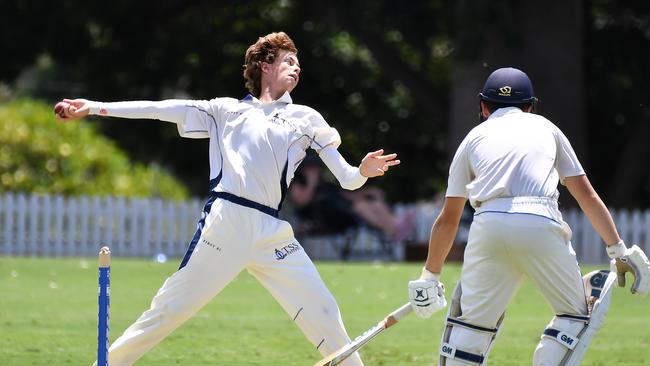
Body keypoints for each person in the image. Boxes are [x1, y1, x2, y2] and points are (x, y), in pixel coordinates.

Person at [55, 31, 400, 366]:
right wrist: (94, 108)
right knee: (167, 312)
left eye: (299, 64)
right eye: (289, 61)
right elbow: (159, 108)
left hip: (271, 231)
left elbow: (348, 178)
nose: (297, 68)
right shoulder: (223, 110)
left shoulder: (306, 119)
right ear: (265, 65)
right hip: (225, 224)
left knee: (324, 311)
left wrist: (364, 171)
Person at [406, 67, 650, 365]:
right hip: (540, 221)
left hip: (488, 226)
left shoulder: (473, 138)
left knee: (471, 326)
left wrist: (429, 275)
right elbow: (586, 195)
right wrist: (618, 249)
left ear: (483, 106)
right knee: (574, 315)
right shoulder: (547, 128)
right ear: (530, 106)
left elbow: (449, 218)